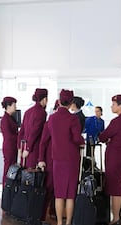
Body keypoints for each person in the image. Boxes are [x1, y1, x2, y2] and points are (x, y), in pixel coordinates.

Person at [38, 89, 84, 225]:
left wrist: (41, 158)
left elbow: (43, 140)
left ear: (59, 101)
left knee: (59, 194)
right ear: (71, 103)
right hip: (71, 160)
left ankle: (59, 222)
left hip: (57, 160)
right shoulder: (73, 118)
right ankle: (68, 222)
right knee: (70, 195)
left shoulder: (52, 118)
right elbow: (77, 138)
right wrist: (82, 140)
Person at [98, 95, 121, 225]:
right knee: (119, 185)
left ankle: (116, 218)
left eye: (113, 104)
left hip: (114, 157)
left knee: (115, 188)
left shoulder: (117, 121)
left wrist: (106, 138)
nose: (111, 106)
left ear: (120, 106)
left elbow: (103, 136)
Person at [38, 99, 60, 223]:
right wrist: (41, 159)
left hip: (58, 160)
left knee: (57, 188)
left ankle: (53, 211)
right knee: (48, 187)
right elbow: (43, 143)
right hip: (50, 160)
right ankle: (42, 214)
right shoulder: (50, 123)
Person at [18, 88, 48, 169]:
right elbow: (35, 132)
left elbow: (22, 131)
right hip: (34, 148)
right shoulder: (42, 112)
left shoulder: (28, 111)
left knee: (25, 175)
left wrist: (20, 148)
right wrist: (28, 148)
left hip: (24, 147)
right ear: (44, 99)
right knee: (33, 176)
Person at [0, 96, 18, 185]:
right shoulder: (5, 119)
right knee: (8, 168)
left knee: (12, 168)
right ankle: (5, 187)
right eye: (14, 105)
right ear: (9, 106)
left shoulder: (11, 118)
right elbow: (9, 136)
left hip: (13, 146)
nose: (16, 107)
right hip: (9, 147)